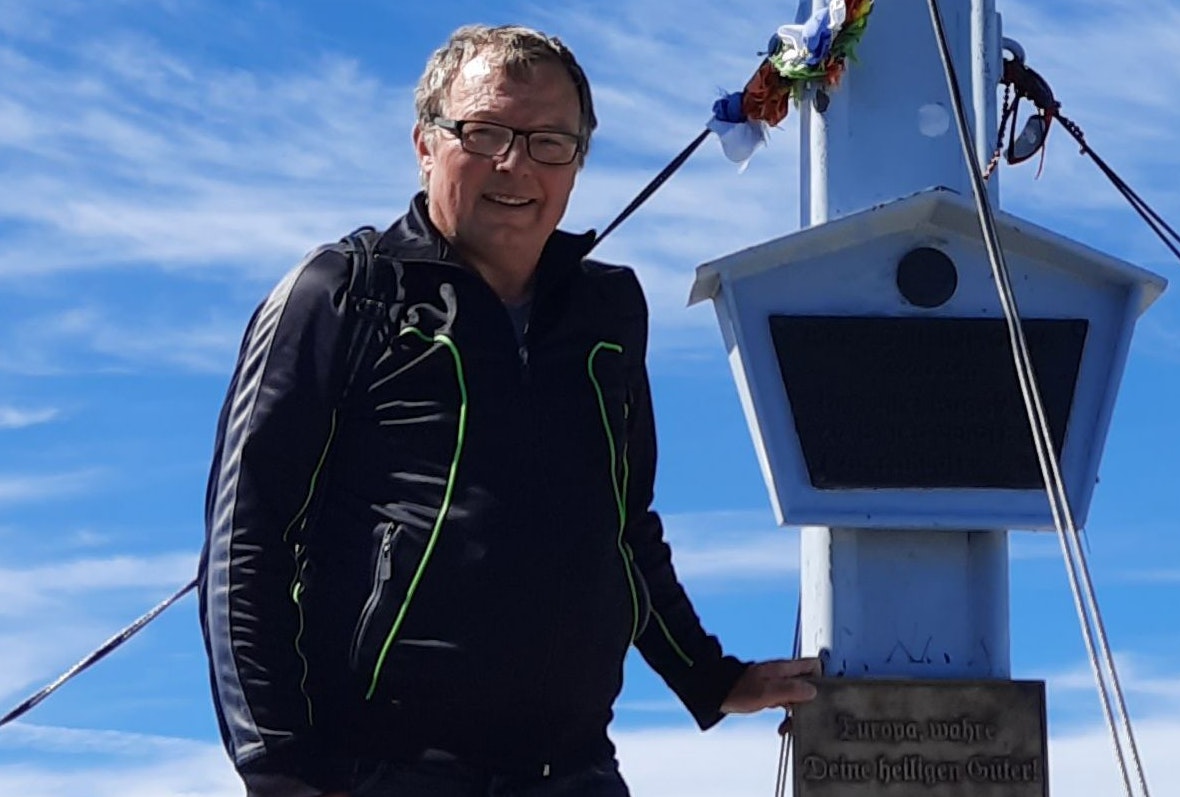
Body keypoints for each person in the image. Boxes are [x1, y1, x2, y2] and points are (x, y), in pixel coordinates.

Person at [197, 23, 820, 797]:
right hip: (379, 768)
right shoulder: (344, 296)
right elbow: (245, 546)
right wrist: (278, 768)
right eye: (484, 132)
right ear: (426, 144)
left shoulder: (606, 313)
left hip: (574, 770)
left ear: (578, 162)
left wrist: (709, 676)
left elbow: (623, 528)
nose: (514, 163)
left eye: (548, 141)